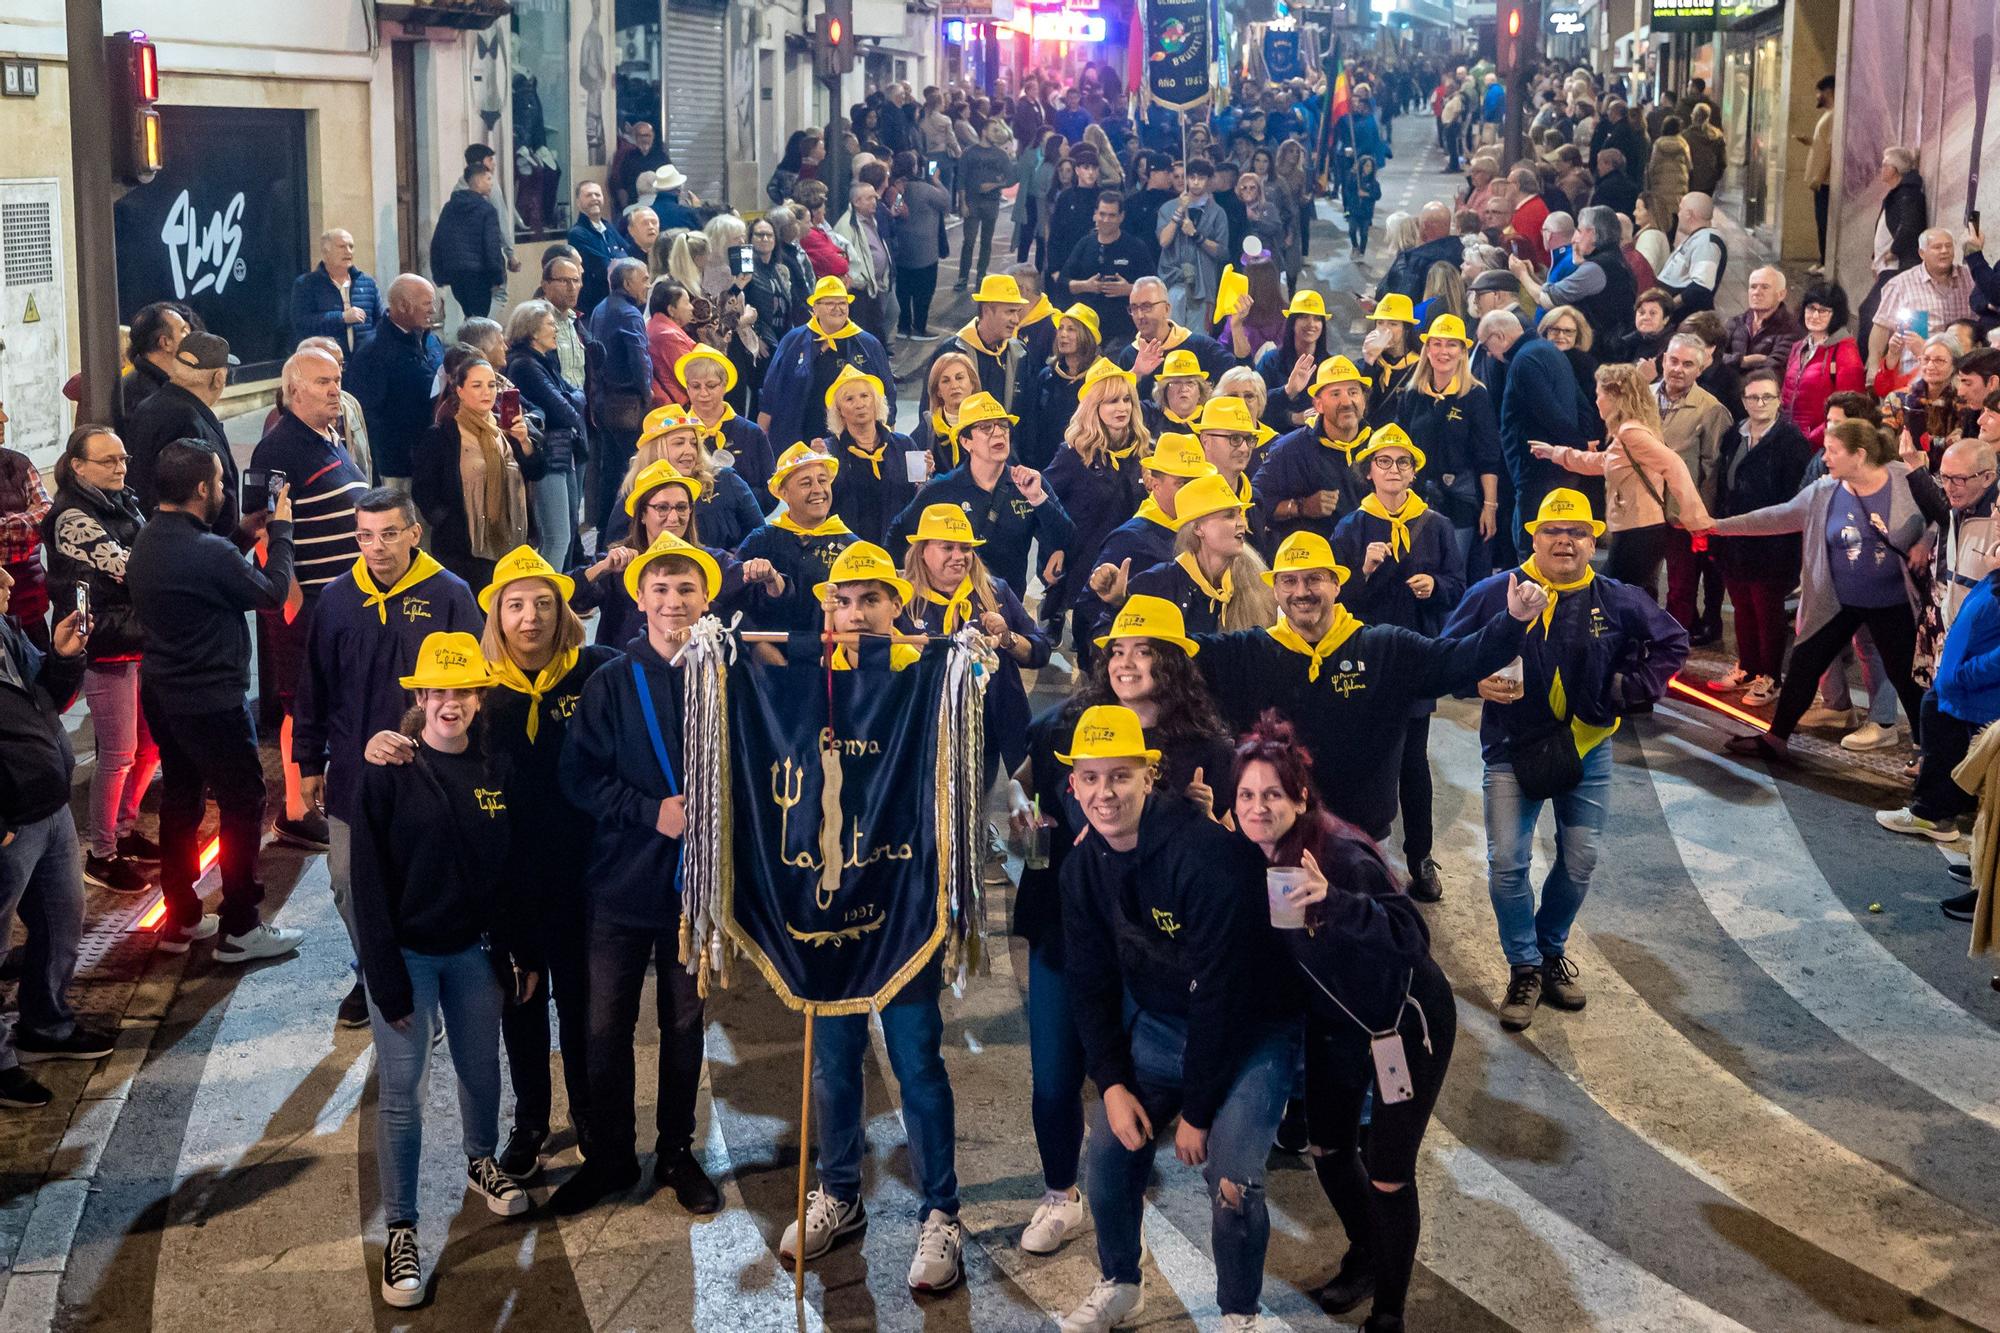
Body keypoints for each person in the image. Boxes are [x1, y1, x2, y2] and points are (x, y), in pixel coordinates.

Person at [1052, 701, 1299, 1333]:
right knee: (1107, 1152)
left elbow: (1224, 991)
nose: (1105, 793)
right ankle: (1119, 1282)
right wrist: (1109, 1083)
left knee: (1233, 1178)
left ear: (1148, 776)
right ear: (1074, 784)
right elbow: (1090, 983)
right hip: (1162, 1028)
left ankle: (1239, 1314)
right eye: (1092, 777)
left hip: (1249, 1031)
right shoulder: (1082, 866)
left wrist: (1195, 1112)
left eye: (1120, 775)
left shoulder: (1202, 856)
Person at [774, 542, 965, 1290]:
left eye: (869, 601)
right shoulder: (803, 684)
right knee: (833, 1060)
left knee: (917, 1060)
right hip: (825, 902)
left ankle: (941, 1210)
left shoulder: (931, 677)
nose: (855, 615)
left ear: (896, 605)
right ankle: (841, 1192)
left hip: (904, 904)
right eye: (841, 603)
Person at [1230, 719, 1453, 1330]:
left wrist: (1333, 900)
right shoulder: (1256, 855)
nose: (1257, 807)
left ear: (1301, 797)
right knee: (1328, 1147)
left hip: (1403, 1022)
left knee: (1386, 1171)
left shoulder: (1342, 855)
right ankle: (1368, 1253)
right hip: (1337, 1022)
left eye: (1271, 794)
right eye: (1246, 795)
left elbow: (1413, 937)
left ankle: (1389, 1314)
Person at [1443, 488, 1688, 1030]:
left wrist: (1632, 687)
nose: (1565, 541)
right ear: (1533, 537)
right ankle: (1525, 966)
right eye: (1553, 531)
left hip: (1588, 744)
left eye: (1577, 532)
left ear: (1592, 540)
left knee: (1579, 861)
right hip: (1512, 748)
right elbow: (1445, 653)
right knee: (1508, 863)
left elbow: (1673, 642)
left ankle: (1549, 950)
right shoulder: (1494, 593)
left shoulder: (1617, 598)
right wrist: (1474, 681)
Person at [349, 631, 533, 1306]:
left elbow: (509, 873)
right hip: (408, 957)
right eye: (439, 691)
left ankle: (483, 1161)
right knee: (403, 1089)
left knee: (482, 1068)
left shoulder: (496, 769)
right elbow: (366, 881)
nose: (450, 703)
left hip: (474, 952)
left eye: (463, 690)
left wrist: (519, 950)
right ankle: (402, 1227)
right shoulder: (389, 769)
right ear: (420, 697)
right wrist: (384, 973)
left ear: (480, 697)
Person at [545, 532, 722, 1216]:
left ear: (705, 598)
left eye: (687, 589)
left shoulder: (723, 675)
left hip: (693, 893)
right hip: (620, 885)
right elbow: (579, 776)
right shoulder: (612, 681)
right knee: (603, 1026)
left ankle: (676, 1150)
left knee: (683, 1027)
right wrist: (650, 811)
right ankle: (612, 1156)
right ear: (639, 599)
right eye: (661, 589)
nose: (674, 601)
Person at [1191, 529, 1545, 843]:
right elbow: (1176, 653)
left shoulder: (1385, 648)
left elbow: (1457, 660)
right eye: (1289, 581)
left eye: (1314, 579)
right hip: (1273, 837)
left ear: (1337, 584)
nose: (1302, 592)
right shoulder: (1246, 653)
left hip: (1363, 838)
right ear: (1274, 589)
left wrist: (1512, 621)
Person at [296, 488, 480, 1027]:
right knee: (349, 883)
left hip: (431, 773)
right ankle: (373, 972)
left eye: (389, 533)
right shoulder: (334, 600)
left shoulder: (450, 595)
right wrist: (309, 761)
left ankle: (426, 976)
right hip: (355, 776)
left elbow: (476, 688)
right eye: (365, 535)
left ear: (414, 533)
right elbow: (314, 685)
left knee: (423, 880)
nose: (376, 547)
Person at [126, 442, 307, 962]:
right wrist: (282, 532)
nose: (226, 491)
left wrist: (241, 534)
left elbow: (208, 571)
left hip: (163, 691)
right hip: (212, 699)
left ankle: (181, 917)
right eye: (221, 484)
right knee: (244, 800)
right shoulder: (208, 552)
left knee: (181, 796)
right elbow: (270, 593)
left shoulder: (149, 541)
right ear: (202, 489)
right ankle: (242, 925)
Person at [1700, 419, 1930, 760]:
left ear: (1860, 455)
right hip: (1839, 600)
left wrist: (1925, 541)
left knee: (1906, 677)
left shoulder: (1903, 480)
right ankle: (1776, 739)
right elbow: (1778, 517)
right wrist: (1717, 527)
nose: (1825, 458)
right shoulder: (1825, 491)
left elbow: (1942, 514)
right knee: (1805, 662)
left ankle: (1927, 751)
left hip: (1892, 603)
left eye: (1834, 451)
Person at [1331, 426, 1465, 900]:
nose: (1393, 471)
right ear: (1369, 471)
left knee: (1413, 762)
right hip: (1364, 658)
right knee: (1365, 759)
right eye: (1383, 462)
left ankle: (1421, 858)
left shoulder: (1436, 524)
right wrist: (1364, 572)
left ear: (1413, 472)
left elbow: (1457, 584)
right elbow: (1334, 599)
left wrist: (1437, 587)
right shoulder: (1351, 527)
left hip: (1414, 659)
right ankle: (1361, 855)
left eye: (1402, 463)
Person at [250, 347, 371, 851]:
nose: (333, 391)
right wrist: (292, 599)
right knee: (301, 703)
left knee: (334, 696)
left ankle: (328, 789)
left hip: (343, 599)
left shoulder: (330, 436)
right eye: (322, 382)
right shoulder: (277, 448)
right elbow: (260, 527)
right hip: (308, 604)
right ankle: (296, 810)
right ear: (294, 389)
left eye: (337, 380)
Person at [0, 565, 112, 1108]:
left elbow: (46, 699)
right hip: (8, 822)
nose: (5, 577)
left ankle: (46, 1024)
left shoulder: (5, 629)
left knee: (62, 921)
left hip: (48, 806)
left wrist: (65, 657)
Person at [40, 426, 155, 893]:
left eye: (123, 458)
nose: (120, 466)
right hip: (104, 642)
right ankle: (102, 853)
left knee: (150, 746)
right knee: (119, 754)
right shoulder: (72, 517)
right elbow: (131, 568)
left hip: (137, 636)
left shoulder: (121, 500)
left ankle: (126, 830)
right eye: (108, 461)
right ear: (78, 466)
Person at [903, 503, 1051, 788]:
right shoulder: (901, 601)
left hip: (986, 731)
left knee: (976, 804)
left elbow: (1040, 651)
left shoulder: (994, 591)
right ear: (922, 551)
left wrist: (1008, 638)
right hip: (923, 733)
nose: (959, 557)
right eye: (948, 547)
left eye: (966, 548)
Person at [889, 391, 1074, 595]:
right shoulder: (941, 489)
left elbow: (1067, 538)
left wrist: (1038, 499)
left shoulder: (1030, 483)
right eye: (986, 427)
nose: (998, 433)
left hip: (1007, 605)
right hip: (952, 607)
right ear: (966, 442)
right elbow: (898, 533)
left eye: (1003, 425)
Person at [1707, 368, 1814, 706]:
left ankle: (1771, 676)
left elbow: (1794, 495)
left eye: (1767, 396)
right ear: (1743, 401)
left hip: (1773, 540)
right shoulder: (1734, 435)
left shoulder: (1790, 440)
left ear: (1779, 399)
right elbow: (1723, 482)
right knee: (1741, 605)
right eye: (1753, 397)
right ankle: (1748, 666)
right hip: (1734, 535)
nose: (1759, 403)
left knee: (1767, 609)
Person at [413, 353, 542, 589]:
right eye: (477, 385)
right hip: (465, 552)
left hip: (512, 542)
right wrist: (448, 521)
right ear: (460, 390)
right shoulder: (441, 435)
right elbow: (423, 490)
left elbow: (536, 472)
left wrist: (525, 442)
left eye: (492, 385)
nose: (487, 392)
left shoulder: (505, 428)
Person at [1392, 313, 1502, 580]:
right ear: (1427, 349)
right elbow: (1400, 447)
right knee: (1415, 571)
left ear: (1463, 352)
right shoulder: (1411, 395)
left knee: (1453, 573)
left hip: (1460, 501)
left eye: (1451, 345)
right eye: (1437, 344)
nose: (1443, 351)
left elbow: (1489, 457)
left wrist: (1490, 506)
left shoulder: (1475, 396)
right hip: (1416, 498)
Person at [760, 276, 897, 455]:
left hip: (851, 441)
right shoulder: (793, 341)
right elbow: (771, 391)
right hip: (799, 434)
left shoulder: (868, 344)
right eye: (830, 303)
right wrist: (762, 436)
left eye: (842, 303)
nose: (837, 308)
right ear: (815, 308)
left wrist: (889, 437)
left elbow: (887, 392)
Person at [1125, 473, 1274, 636]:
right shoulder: (1154, 585)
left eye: (1240, 513)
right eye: (1229, 515)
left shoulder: (1254, 579)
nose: (1242, 523)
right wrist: (1116, 602)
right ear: (1197, 528)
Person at [124, 332, 241, 532]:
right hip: (195, 549)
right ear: (218, 378)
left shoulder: (153, 405)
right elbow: (190, 499)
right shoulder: (187, 419)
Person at [736, 442, 858, 632]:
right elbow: (736, 603)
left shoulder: (852, 548)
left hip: (832, 656)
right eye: (806, 483)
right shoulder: (759, 542)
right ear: (784, 493)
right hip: (768, 657)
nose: (818, 489)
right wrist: (760, 649)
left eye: (823, 480)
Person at [1255, 356, 1375, 547]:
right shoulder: (1290, 449)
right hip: (1311, 565)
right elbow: (1257, 504)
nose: (1346, 402)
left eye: (1353, 392)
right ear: (1318, 404)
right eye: (1335, 394)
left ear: (1364, 400)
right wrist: (1300, 507)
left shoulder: (1379, 448)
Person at [346, 275, 444, 490]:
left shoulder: (432, 340)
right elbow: (366, 416)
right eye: (427, 303)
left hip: (434, 457)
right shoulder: (373, 353)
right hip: (399, 467)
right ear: (402, 305)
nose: (433, 310)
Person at [584, 258, 654, 533]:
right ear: (627, 283)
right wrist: (647, 394)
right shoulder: (629, 313)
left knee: (611, 471)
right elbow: (640, 358)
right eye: (644, 279)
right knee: (634, 469)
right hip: (627, 404)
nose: (648, 284)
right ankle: (627, 530)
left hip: (604, 400)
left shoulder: (601, 308)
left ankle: (605, 531)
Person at [1869, 229, 1978, 387]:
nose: (1944, 251)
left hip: (1959, 376)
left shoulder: (1970, 278)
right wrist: (1873, 369)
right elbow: (1881, 327)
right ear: (1922, 253)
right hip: (1915, 375)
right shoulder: (1901, 284)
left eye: (1949, 246)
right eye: (1937, 247)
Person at [1115, 275, 1232, 402]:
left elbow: (1237, 376)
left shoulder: (1201, 346)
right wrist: (1136, 373)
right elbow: (1117, 402)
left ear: (1167, 309)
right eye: (1133, 308)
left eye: (1146, 306)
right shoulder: (1129, 356)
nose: (1139, 315)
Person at [1058, 191, 1148, 352]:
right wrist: (1086, 285)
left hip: (1122, 331)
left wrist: (1128, 289)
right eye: (1102, 214)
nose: (1106, 220)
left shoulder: (1135, 247)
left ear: (1121, 217)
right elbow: (1063, 282)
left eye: (1112, 215)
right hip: (1085, 331)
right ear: (1095, 214)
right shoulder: (1084, 244)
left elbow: (1154, 286)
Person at [1781, 282, 1865, 446]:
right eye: (1811, 308)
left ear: (1837, 314)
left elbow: (1849, 410)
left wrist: (1811, 438)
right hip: (1789, 441)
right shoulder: (1798, 347)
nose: (1815, 315)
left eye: (1823, 311)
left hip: (1822, 446)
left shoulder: (1846, 354)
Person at [1155, 159, 1232, 328]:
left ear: (1210, 180)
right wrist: (1179, 212)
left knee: (1199, 341)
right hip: (1173, 282)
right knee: (1172, 336)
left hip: (1203, 286)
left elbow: (1222, 253)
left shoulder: (1218, 213)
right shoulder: (1168, 208)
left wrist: (1196, 235)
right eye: (1192, 177)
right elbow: (1163, 241)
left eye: (1201, 178)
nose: (1196, 182)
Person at [429, 162, 507, 320]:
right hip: (480, 275)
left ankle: (467, 342)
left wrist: (438, 273)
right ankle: (475, 344)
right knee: (480, 320)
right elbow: (491, 246)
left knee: (469, 315)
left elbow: (438, 240)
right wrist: (498, 276)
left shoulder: (450, 207)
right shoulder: (486, 210)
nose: (491, 183)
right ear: (478, 182)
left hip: (455, 273)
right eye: (488, 178)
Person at [889, 153, 952, 343]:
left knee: (903, 289)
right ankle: (919, 328)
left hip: (901, 249)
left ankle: (903, 325)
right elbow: (946, 203)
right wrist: (937, 180)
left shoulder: (894, 189)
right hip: (925, 250)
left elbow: (898, 210)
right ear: (915, 167)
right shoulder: (926, 189)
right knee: (923, 292)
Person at [292, 227, 382, 355]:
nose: (348, 251)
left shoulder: (368, 283)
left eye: (351, 246)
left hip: (364, 364)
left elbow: (380, 322)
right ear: (325, 253)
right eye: (342, 246)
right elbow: (302, 323)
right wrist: (342, 317)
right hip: (326, 363)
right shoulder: (306, 284)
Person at [1256, 291, 1335, 434]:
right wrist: (1291, 411)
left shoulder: (1331, 365)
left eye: (1317, 319)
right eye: (1304, 317)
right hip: (1277, 440)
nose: (1311, 324)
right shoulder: (1271, 361)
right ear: (1292, 323)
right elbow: (1255, 405)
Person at [112, 302, 191, 438]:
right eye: (183, 330)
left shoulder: (161, 383)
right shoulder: (144, 394)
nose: (190, 335)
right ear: (165, 342)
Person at [1654, 193, 1726, 317]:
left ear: (1689, 214)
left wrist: (1668, 307)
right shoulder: (1698, 237)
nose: (1678, 214)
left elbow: (1700, 288)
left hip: (1681, 316)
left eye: (1680, 209)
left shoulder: (1706, 243)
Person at [566, 181, 631, 315]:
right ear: (578, 202)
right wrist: (619, 257)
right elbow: (603, 266)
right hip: (595, 305)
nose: (594, 198)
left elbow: (631, 256)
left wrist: (618, 260)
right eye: (589, 195)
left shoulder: (608, 226)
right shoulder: (577, 233)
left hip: (618, 301)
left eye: (598, 194)